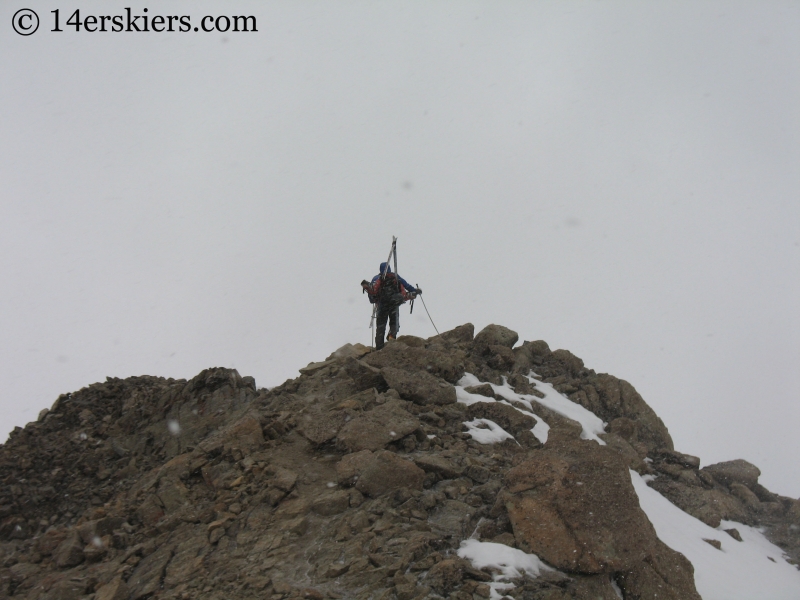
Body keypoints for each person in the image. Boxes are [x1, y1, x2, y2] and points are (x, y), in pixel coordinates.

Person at [361, 263, 421, 349]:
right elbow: (406, 285)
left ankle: (379, 348)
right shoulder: (395, 277)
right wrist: (415, 291)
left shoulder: (376, 278)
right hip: (394, 304)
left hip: (382, 305)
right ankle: (391, 338)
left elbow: (373, 293)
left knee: (381, 327)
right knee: (394, 324)